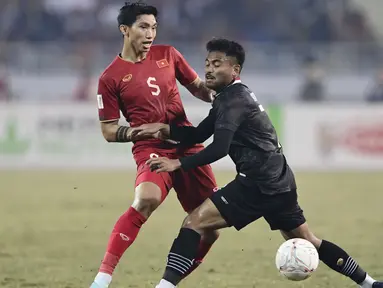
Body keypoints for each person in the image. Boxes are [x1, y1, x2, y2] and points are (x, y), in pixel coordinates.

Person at [135, 38, 383, 288]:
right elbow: (199, 134)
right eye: (207, 63)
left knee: (194, 222)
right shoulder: (230, 96)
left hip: (257, 184)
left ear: (235, 70)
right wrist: (166, 129)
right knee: (309, 240)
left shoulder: (233, 101)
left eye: (217, 64)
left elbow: (219, 148)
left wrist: (178, 163)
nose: (209, 69)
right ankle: (370, 284)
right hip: (281, 181)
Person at [90, 2, 220, 288]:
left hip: (187, 145)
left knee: (210, 227)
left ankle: (167, 284)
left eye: (154, 28)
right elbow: (109, 131)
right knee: (146, 199)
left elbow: (199, 87)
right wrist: (141, 131)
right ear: (125, 30)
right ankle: (102, 279)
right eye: (143, 27)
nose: (150, 34)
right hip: (151, 149)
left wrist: (223, 96)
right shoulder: (109, 78)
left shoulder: (169, 55)